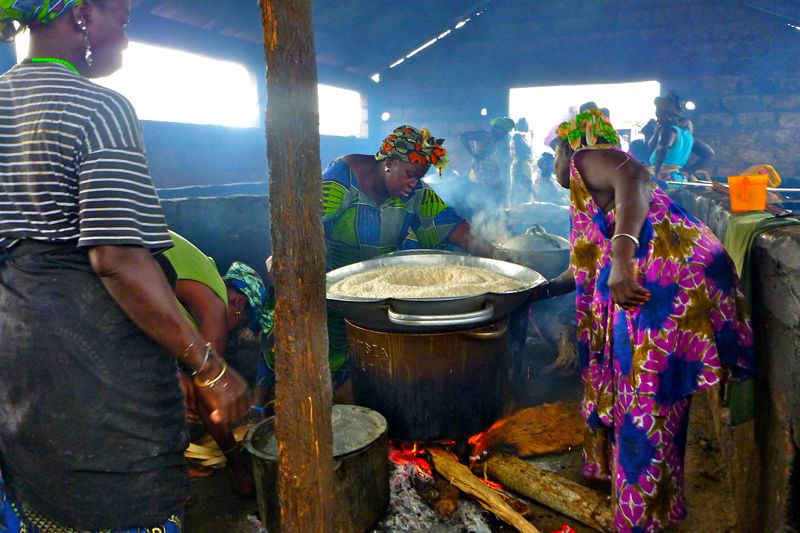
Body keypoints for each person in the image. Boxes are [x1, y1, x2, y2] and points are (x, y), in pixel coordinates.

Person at [0, 2, 248, 530]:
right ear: (83, 15)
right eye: (124, 20)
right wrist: (211, 368)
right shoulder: (98, 107)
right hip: (100, 384)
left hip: (19, 379)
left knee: (41, 504)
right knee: (123, 504)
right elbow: (116, 259)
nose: (127, 39)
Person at [536, 108, 755, 531]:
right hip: (676, 275)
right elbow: (579, 268)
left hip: (664, 279)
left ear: (568, 147)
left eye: (553, 157)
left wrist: (622, 260)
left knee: (643, 401)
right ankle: (658, 506)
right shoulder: (590, 193)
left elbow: (636, 175)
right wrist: (530, 290)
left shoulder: (588, 156)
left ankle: (639, 518)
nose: (553, 169)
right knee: (653, 398)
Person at [321, 125, 505, 382]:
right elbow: (310, 224)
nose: (414, 183)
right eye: (410, 174)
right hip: (331, 287)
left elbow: (451, 224)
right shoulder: (343, 177)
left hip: (379, 291)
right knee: (330, 353)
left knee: (378, 361)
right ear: (390, 162)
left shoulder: (413, 191)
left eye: (419, 178)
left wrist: (499, 257)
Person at [163, 232, 270, 495]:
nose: (234, 334)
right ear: (239, 303)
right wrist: (238, 465)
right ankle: (165, 475)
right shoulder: (216, 308)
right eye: (244, 323)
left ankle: (169, 467)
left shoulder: (203, 282)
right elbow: (207, 395)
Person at [648, 92, 713, 185]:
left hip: (661, 180)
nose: (657, 119)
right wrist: (688, 172)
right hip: (678, 179)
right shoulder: (688, 136)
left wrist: (657, 173)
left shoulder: (669, 131)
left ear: (669, 115)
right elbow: (709, 154)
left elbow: (662, 149)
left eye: (659, 116)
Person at [460, 116, 515, 200]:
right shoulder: (484, 135)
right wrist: (474, 155)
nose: (505, 135)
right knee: (480, 201)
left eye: (506, 133)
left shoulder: (501, 141)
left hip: (493, 179)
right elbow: (463, 137)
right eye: (504, 132)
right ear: (497, 129)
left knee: (494, 200)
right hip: (478, 177)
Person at [510, 117, 534, 204]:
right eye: (525, 124)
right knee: (523, 188)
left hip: (523, 164)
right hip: (521, 164)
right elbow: (522, 151)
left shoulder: (522, 137)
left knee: (524, 188)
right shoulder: (517, 136)